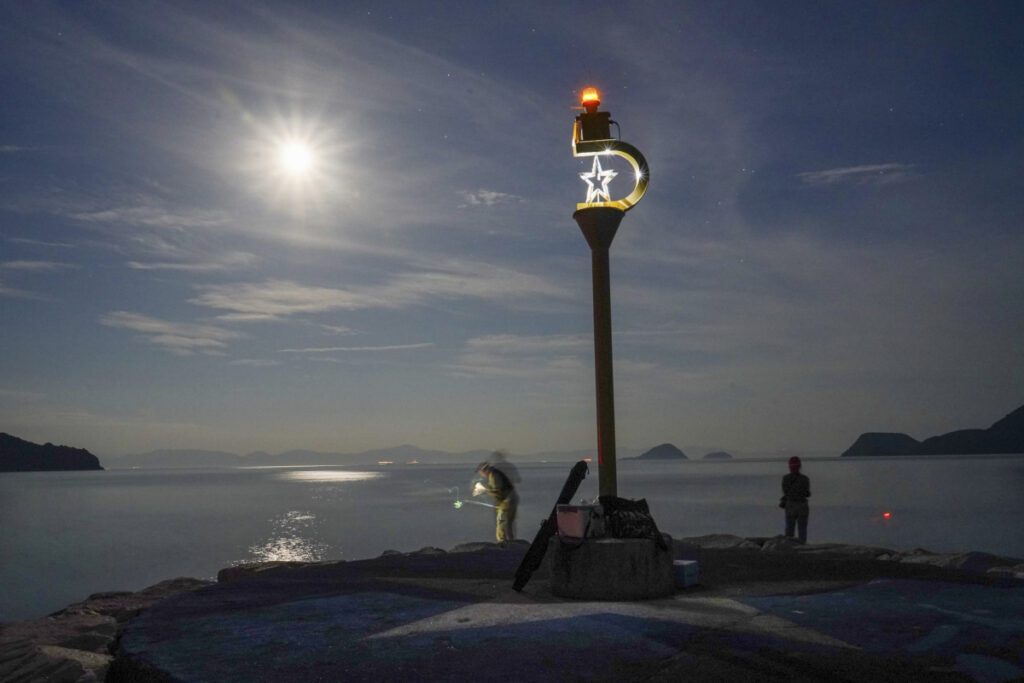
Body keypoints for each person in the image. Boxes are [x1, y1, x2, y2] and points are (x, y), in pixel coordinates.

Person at [475, 457, 518, 542]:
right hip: (510, 499)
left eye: (481, 473)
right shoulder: (494, 474)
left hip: (507, 500)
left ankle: (502, 542)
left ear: (484, 470)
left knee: (501, 521)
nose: (481, 475)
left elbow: (497, 491)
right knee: (508, 523)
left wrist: (483, 489)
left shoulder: (494, 475)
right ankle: (510, 542)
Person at [782, 456, 811, 543]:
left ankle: (789, 547)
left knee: (789, 530)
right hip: (802, 505)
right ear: (800, 466)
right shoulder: (805, 479)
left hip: (790, 505)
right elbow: (807, 493)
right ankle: (802, 546)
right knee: (802, 529)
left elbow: (785, 492)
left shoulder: (786, 478)